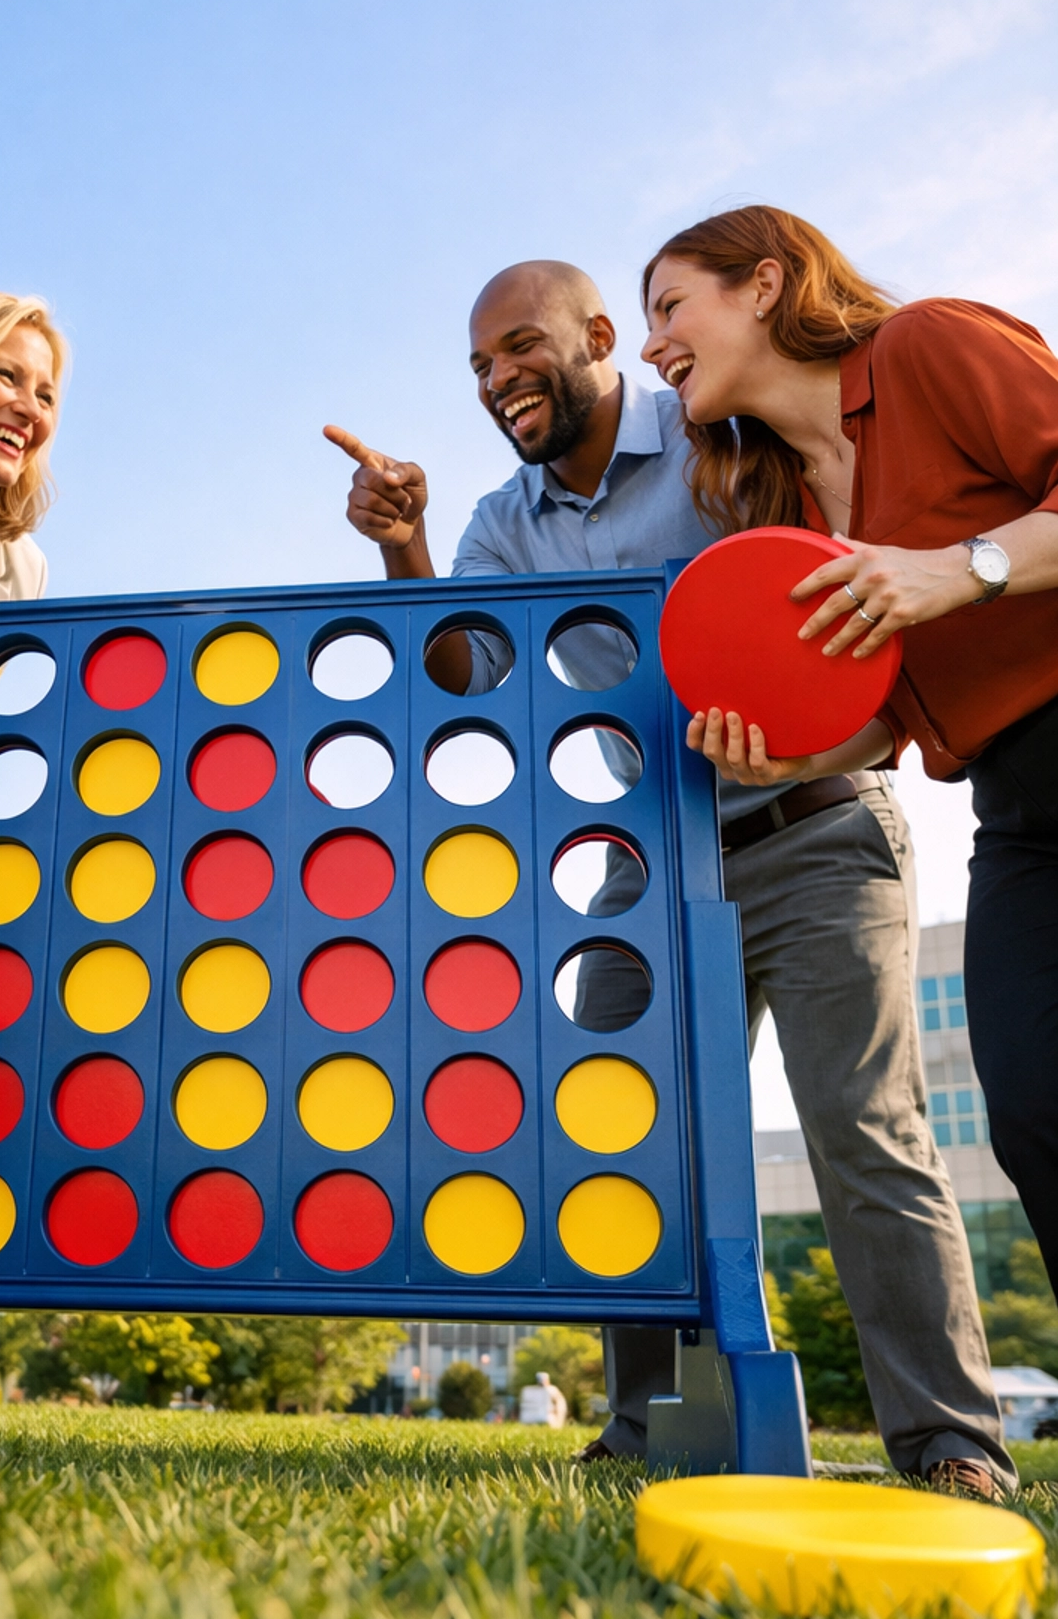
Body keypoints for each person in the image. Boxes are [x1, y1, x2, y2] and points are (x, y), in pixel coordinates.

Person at [327, 257, 1014, 1496]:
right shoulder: (502, 524)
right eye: (479, 368)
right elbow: (456, 674)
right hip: (644, 867)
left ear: (596, 335)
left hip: (813, 827)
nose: (499, 381)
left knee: (865, 1131)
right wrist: (409, 544)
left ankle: (951, 1443)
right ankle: (649, 1424)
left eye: (520, 348)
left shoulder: (722, 437)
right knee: (614, 1124)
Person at [640, 205, 1058, 1432]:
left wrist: (960, 566)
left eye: (671, 306)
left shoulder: (931, 348)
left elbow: (961, 578)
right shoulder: (787, 506)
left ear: (765, 283)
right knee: (1032, 1109)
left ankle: (950, 1437)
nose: (658, 345)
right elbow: (885, 717)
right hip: (1015, 803)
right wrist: (785, 749)